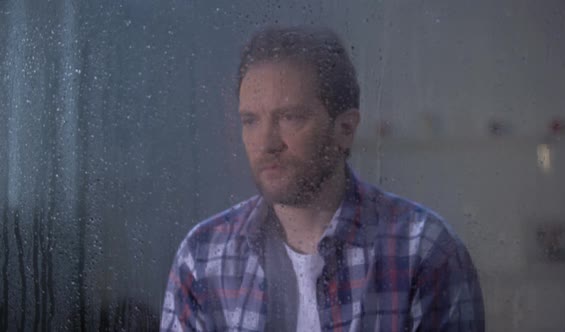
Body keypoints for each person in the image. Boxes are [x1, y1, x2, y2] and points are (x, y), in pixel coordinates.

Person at [160, 25, 485, 332]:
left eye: (290, 117)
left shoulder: (423, 251)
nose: (267, 143)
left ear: (345, 129)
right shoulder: (203, 257)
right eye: (250, 120)